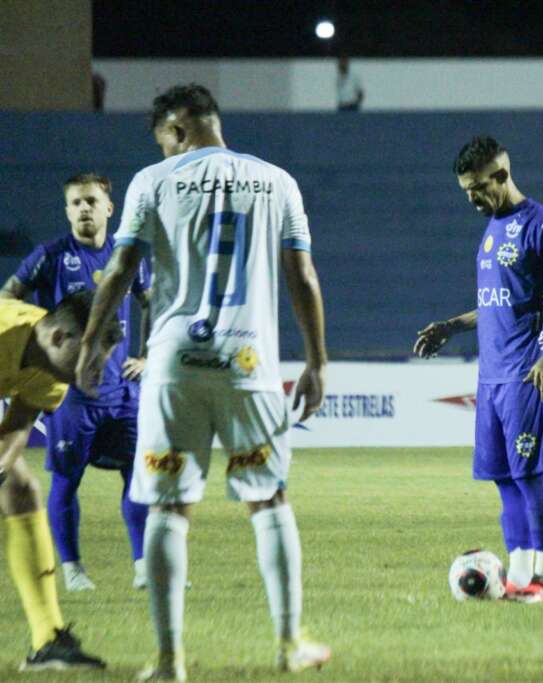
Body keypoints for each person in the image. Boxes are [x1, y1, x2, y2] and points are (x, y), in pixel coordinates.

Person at [75, 83, 330, 681]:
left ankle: (168, 661)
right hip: (249, 366)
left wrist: (92, 340)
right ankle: (290, 643)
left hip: (172, 364)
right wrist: (317, 361)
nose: (164, 150)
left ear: (177, 130)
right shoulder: (278, 182)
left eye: (163, 140)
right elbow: (303, 275)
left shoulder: (152, 182)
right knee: (268, 501)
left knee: (169, 509)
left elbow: (119, 268)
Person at [414, 136, 543, 604]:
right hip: (490, 375)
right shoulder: (491, 229)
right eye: (465, 190)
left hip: (527, 373)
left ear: (502, 175)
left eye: (477, 187)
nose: (471, 197)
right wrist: (452, 326)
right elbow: (498, 304)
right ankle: (519, 578)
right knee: (504, 479)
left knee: (530, 477)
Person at [0, 173, 151, 592]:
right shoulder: (50, 256)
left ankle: (143, 566)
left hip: (120, 390)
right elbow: (9, 293)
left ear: (109, 208)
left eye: (90, 201)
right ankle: (72, 570)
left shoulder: (127, 258)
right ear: (67, 211)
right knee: (66, 480)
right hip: (69, 391)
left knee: (139, 476)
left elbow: (152, 301)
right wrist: (24, 336)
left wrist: (147, 354)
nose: (83, 208)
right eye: (75, 203)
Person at [0, 290, 120, 671]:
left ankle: (48, 639)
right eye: (94, 352)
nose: (101, 365)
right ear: (58, 338)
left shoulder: (54, 369)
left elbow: (18, 424)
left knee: (20, 489)